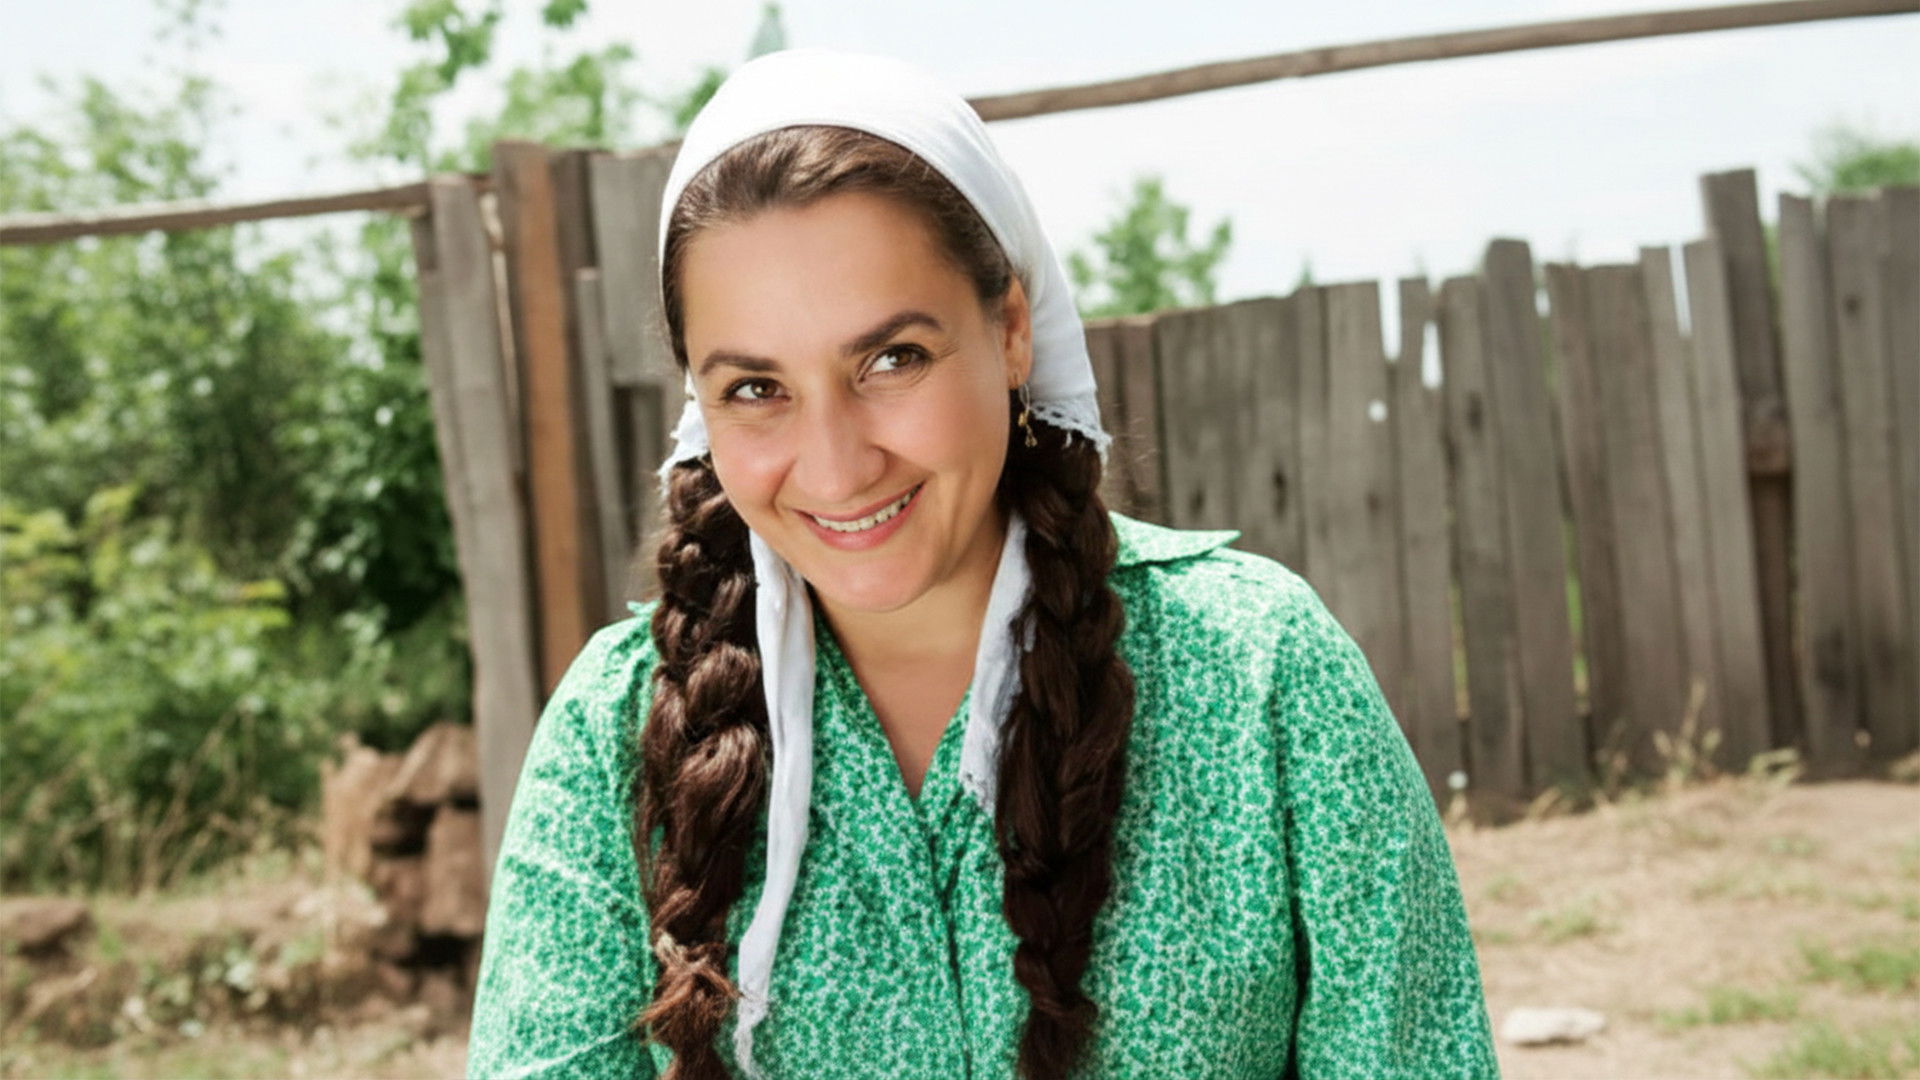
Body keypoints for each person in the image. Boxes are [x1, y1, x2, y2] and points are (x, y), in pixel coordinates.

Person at [466, 46, 1498, 1080]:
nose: (836, 466)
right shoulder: (611, 736)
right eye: (756, 389)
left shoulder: (1261, 675)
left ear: (1009, 330)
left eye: (892, 360)